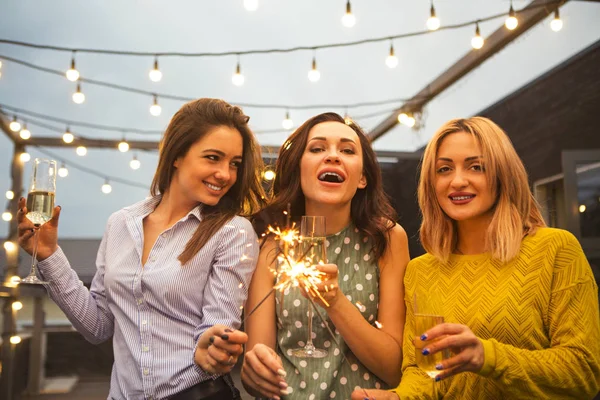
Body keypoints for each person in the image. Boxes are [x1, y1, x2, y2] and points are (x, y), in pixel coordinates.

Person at [17, 98, 267, 400]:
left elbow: (217, 327)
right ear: (177, 155)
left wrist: (214, 347)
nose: (226, 174)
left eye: (234, 164)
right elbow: (98, 325)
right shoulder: (121, 223)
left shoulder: (232, 231)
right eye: (213, 158)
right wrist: (48, 255)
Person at [351, 117, 600, 399]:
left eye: (476, 167)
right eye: (444, 169)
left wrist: (488, 356)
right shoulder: (421, 271)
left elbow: (584, 371)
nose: (457, 181)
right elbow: (423, 372)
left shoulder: (556, 250)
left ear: (503, 175)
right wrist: (396, 397)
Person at [241, 112, 410, 399]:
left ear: (363, 178)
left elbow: (393, 368)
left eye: (347, 150)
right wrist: (253, 372)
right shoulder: (271, 244)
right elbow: (260, 366)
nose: (332, 156)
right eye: (317, 148)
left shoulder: (388, 239)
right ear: (298, 170)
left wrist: (334, 302)